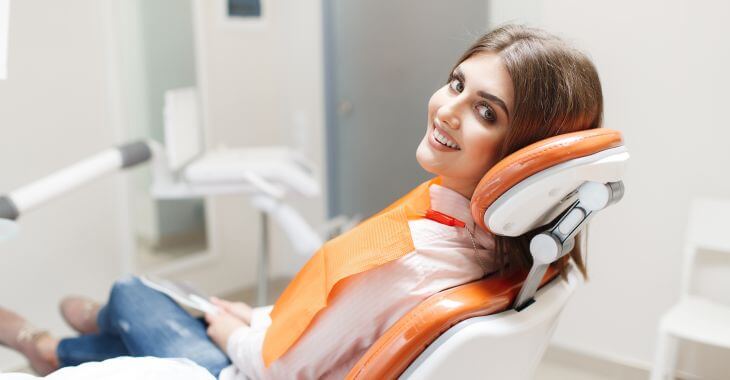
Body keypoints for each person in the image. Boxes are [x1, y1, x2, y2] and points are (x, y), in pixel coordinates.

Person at [0, 24, 601, 379]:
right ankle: (89, 339)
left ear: (525, 153)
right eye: (456, 83)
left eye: (485, 111)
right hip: (284, 348)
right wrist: (256, 319)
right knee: (169, 306)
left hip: (253, 373)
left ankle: (52, 347)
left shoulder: (413, 261)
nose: (448, 108)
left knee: (135, 293)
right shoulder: (510, 251)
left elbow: (281, 369)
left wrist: (232, 330)